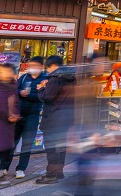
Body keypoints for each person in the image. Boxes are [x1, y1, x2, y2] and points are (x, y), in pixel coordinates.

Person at [1, 56, 47, 178]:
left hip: (33, 115)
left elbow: (44, 97)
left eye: (34, 66)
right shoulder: (24, 77)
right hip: (18, 114)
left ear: (41, 67)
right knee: (12, 141)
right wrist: (20, 92)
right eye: (30, 66)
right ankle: (4, 167)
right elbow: (13, 90)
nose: (31, 68)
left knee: (27, 144)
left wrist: (31, 94)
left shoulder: (45, 79)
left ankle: (21, 168)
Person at [36, 55, 76, 184]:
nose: (48, 71)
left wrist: (41, 89)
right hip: (66, 118)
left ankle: (51, 175)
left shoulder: (55, 79)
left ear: (52, 66)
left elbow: (48, 97)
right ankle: (59, 173)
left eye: (48, 68)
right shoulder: (71, 78)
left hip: (53, 118)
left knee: (52, 147)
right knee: (60, 146)